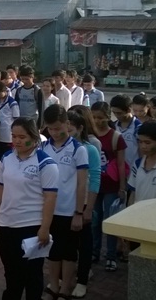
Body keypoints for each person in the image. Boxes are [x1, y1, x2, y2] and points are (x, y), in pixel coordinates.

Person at [0, 118, 59, 300]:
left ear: (34, 137)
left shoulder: (46, 164)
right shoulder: (7, 158)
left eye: (22, 137)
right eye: (14, 136)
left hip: (30, 227)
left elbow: (50, 198)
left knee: (32, 274)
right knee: (11, 271)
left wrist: (45, 227)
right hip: (6, 225)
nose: (17, 141)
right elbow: (0, 188)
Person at [42, 105, 88, 299]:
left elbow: (82, 183)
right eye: (50, 129)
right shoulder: (43, 147)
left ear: (67, 124)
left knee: (68, 252)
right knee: (52, 250)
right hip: (49, 210)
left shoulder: (78, 149)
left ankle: (66, 288)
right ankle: (54, 285)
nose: (54, 133)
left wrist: (79, 212)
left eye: (58, 128)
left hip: (69, 211)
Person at [67, 111, 102, 299]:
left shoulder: (90, 149)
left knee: (84, 244)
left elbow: (95, 179)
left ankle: (82, 280)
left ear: (80, 128)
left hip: (84, 204)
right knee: (67, 245)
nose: (66, 132)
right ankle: (65, 278)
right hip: (64, 205)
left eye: (71, 129)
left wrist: (88, 209)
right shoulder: (59, 148)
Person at [90, 101, 127, 272]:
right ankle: (94, 251)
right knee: (94, 220)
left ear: (107, 116)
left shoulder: (116, 137)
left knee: (109, 220)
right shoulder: (90, 135)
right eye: (94, 117)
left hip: (111, 185)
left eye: (100, 117)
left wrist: (122, 187)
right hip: (94, 185)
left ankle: (111, 255)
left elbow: (121, 164)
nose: (97, 121)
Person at [111, 94, 142, 169]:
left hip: (134, 170)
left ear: (129, 110)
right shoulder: (113, 126)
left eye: (119, 113)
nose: (116, 116)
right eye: (114, 113)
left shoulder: (138, 127)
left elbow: (142, 152)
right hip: (117, 170)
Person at [0, 81, 20, 162]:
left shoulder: (12, 102)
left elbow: (16, 118)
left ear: (5, 90)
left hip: (8, 134)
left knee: (8, 156)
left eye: (0, 92)